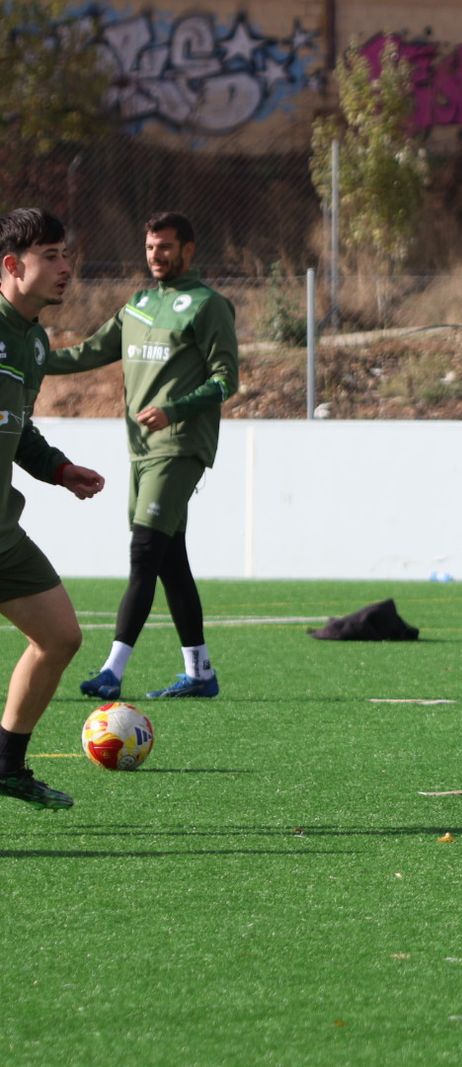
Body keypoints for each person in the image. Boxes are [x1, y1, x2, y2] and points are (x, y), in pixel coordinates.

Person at [45, 212, 237, 701]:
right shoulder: (140, 304)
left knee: (144, 550)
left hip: (180, 447)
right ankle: (199, 673)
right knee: (171, 560)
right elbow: (89, 352)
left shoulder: (208, 305)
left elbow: (224, 380)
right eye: (151, 247)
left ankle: (112, 669)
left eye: (166, 247)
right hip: (141, 451)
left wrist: (175, 410)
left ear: (189, 250)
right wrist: (32, 356)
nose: (156, 255)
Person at [0, 209, 107, 809]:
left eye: (65, 254)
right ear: (13, 266)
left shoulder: (35, 340)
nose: (66, 268)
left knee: (60, 636)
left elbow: (19, 429)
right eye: (51, 256)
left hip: (2, 534)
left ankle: (6, 765)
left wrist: (59, 470)